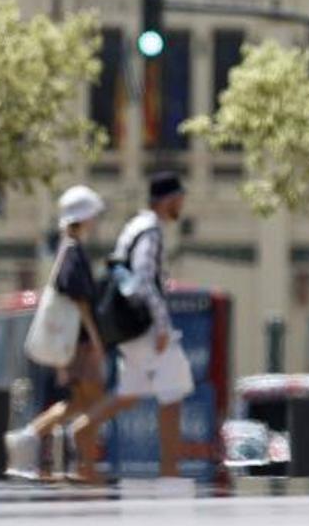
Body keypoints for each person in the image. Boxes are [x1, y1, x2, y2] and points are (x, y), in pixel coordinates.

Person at [67, 173, 194, 481]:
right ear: (168, 200)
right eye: (179, 199)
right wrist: (162, 325)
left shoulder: (135, 225)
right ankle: (170, 471)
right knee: (174, 389)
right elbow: (143, 279)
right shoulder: (150, 231)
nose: (181, 205)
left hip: (130, 328)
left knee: (130, 391)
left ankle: (81, 428)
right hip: (143, 326)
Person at [5, 185, 108, 478]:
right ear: (84, 217)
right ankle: (77, 454)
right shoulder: (73, 252)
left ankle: (30, 436)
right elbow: (80, 301)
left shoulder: (67, 250)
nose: (95, 222)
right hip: (80, 344)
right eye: (93, 216)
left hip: (73, 345)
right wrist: (97, 339)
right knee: (97, 401)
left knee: (82, 402)